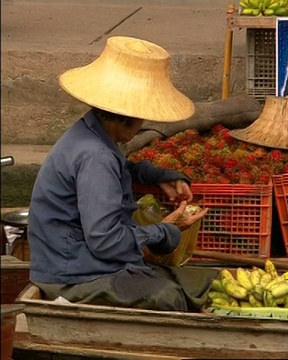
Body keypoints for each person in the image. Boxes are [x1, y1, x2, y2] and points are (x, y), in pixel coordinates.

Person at [27, 36, 219, 311]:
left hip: (79, 262)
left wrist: (156, 175)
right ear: (130, 116)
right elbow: (106, 242)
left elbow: (117, 172)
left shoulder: (91, 133)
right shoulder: (96, 156)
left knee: (202, 283)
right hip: (74, 276)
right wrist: (164, 232)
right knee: (169, 298)